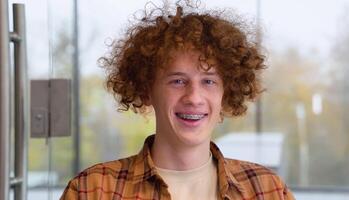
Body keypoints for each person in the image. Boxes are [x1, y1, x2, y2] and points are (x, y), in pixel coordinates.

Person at [61, 1, 295, 200]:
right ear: (146, 91)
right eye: (177, 81)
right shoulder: (92, 190)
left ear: (227, 92)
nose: (194, 98)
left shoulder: (267, 190)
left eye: (208, 81)